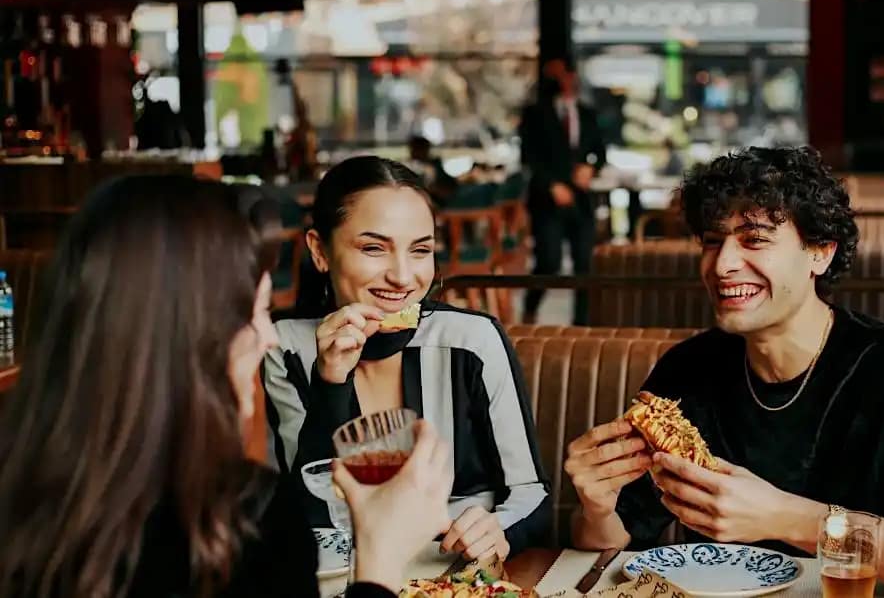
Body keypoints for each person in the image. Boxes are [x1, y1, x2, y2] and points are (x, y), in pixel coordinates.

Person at [562, 147, 884, 595]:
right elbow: (614, 541)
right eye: (713, 241)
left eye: (754, 240)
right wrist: (596, 508)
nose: (722, 264)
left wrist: (788, 518)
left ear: (820, 253)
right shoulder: (688, 371)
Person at [0, 175, 455, 598]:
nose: (268, 336)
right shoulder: (247, 523)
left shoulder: (21, 489)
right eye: (255, 311)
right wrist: (379, 558)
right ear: (191, 333)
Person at [263, 155, 550, 562]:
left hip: (458, 575)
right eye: (374, 248)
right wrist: (331, 382)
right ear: (320, 251)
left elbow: (531, 496)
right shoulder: (286, 349)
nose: (402, 276)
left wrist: (496, 531)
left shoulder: (472, 340)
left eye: (420, 250)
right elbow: (313, 515)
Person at [518, 58, 606, 325]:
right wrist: (551, 185)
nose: (558, 79)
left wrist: (590, 168)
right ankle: (530, 311)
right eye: (551, 74)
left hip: (581, 200)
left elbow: (599, 152)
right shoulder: (535, 113)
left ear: (571, 75)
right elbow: (528, 156)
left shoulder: (587, 112)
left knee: (584, 265)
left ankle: (582, 324)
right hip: (547, 199)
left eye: (561, 73)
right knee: (548, 262)